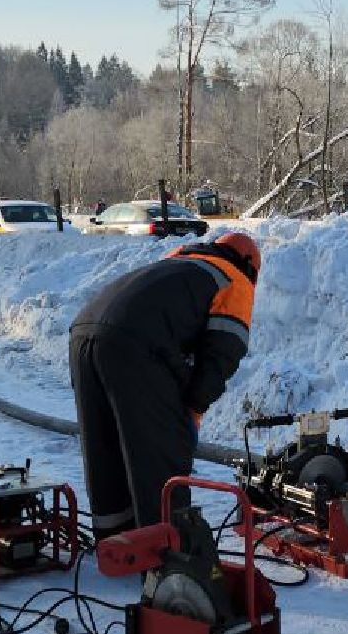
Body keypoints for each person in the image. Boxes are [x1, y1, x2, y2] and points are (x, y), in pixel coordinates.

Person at [69, 231, 262, 540]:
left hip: (83, 334)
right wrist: (193, 407)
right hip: (137, 344)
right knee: (159, 450)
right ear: (250, 265)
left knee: (105, 443)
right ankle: (168, 553)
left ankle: (114, 541)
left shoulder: (178, 265)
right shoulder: (234, 279)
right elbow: (222, 356)